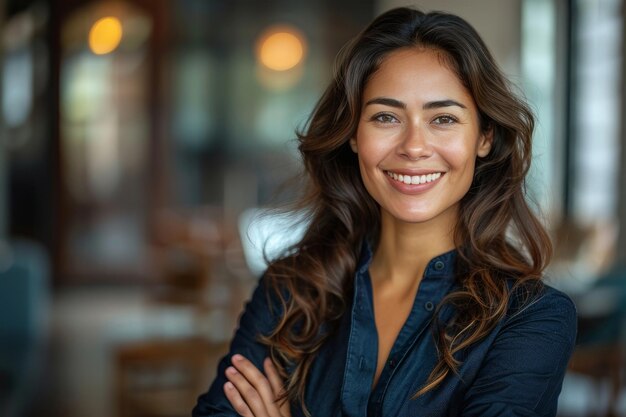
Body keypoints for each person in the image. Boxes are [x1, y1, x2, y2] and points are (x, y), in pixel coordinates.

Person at [192, 7, 577, 417]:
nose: (413, 146)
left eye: (443, 118)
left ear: (484, 136)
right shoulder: (291, 289)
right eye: (385, 117)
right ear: (354, 135)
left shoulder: (533, 319)